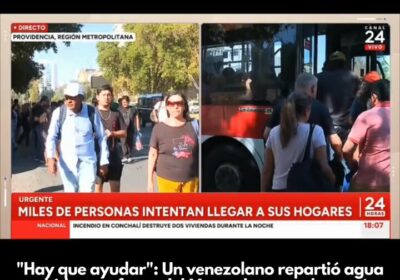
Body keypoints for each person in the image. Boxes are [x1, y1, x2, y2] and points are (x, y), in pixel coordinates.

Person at [261, 92, 335, 192]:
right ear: (306, 111)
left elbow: (267, 170)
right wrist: (333, 180)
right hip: (304, 189)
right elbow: (324, 167)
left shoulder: (274, 132)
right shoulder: (316, 131)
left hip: (278, 190)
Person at [46, 82, 109, 192]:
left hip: (88, 163)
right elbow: (51, 137)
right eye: (66, 97)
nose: (68, 101)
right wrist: (50, 158)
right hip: (67, 164)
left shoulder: (91, 112)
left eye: (72, 97)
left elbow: (102, 137)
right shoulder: (59, 113)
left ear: (81, 98)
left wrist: (104, 161)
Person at [343, 79, 390, 192]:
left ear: (374, 97)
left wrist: (353, 164)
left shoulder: (366, 116)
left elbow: (346, 149)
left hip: (367, 183)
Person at [148, 93, 199, 193]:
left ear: (184, 106)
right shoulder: (159, 128)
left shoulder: (195, 125)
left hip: (191, 180)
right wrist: (150, 181)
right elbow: (153, 154)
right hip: (167, 180)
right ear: (167, 107)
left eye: (179, 103)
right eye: (172, 103)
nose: (175, 106)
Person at [316, 51, 360, 142]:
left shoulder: (318, 78)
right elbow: (359, 101)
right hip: (346, 127)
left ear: (329, 63)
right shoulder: (354, 77)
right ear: (344, 63)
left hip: (324, 128)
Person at [95, 85, 127, 193]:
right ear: (97, 97)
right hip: (97, 155)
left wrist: (113, 133)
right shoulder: (92, 113)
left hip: (113, 154)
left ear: (112, 97)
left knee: (115, 189)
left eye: (109, 95)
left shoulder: (116, 113)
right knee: (98, 188)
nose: (106, 97)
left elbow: (124, 132)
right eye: (103, 95)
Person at [119, 95, 142, 163]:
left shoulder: (133, 109)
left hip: (131, 128)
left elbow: (137, 117)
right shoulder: (119, 109)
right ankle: (125, 156)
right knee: (123, 142)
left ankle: (129, 156)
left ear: (128, 102)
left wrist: (138, 127)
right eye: (123, 102)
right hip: (122, 129)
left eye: (126, 102)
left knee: (129, 142)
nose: (124, 104)